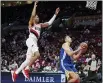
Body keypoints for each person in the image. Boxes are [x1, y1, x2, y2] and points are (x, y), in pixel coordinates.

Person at [11, 1, 60, 82]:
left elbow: (49, 23)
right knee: (37, 55)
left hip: (34, 42)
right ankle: (27, 68)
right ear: (33, 19)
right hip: (30, 41)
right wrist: (35, 6)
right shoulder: (31, 24)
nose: (37, 17)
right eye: (36, 17)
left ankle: (15, 73)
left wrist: (55, 14)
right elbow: (32, 15)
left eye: (38, 17)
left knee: (27, 60)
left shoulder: (40, 25)